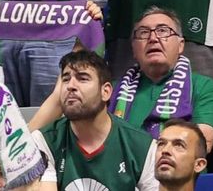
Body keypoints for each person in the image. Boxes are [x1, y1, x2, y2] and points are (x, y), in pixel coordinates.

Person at [32, 49, 156, 191]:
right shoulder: (44, 141)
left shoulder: (141, 146)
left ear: (106, 92)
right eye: (66, 79)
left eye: (83, 78)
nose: (70, 86)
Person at [110, 9, 213, 147]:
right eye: (143, 33)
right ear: (133, 49)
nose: (153, 38)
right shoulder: (113, 90)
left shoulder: (202, 86)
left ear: (181, 45)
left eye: (163, 31)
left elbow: (202, 144)